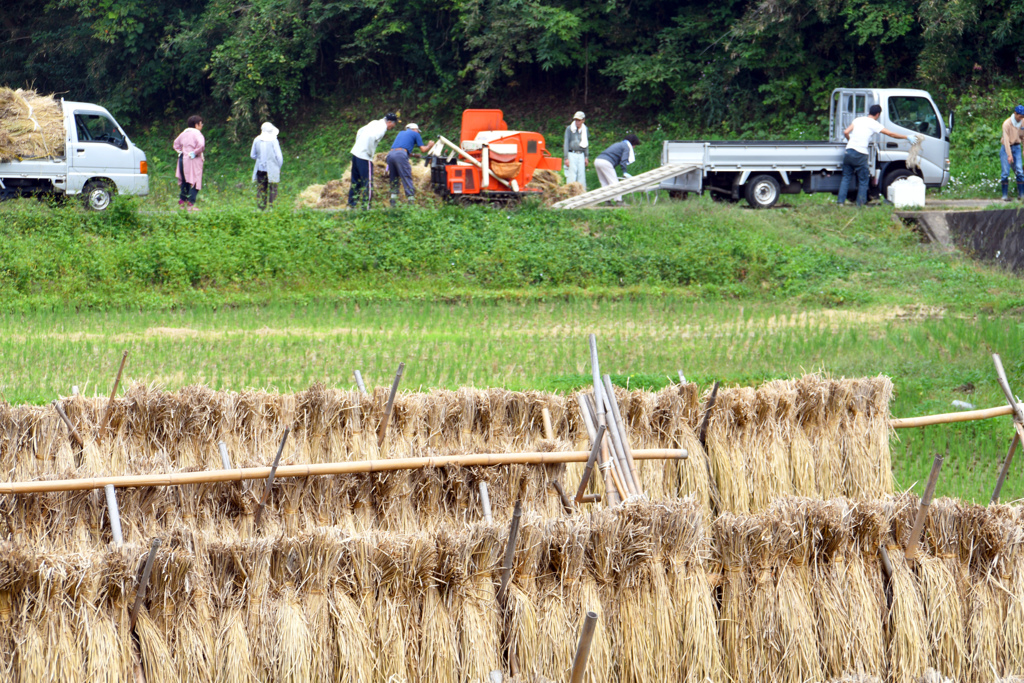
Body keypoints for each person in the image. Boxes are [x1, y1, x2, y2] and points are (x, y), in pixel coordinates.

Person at [837, 104, 919, 207]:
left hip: (848, 151)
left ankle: (840, 203)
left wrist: (850, 141)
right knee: (863, 180)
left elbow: (846, 132)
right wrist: (907, 137)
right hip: (860, 154)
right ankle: (860, 205)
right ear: (877, 114)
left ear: (869, 112)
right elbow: (890, 134)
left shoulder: (858, 120)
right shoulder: (874, 124)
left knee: (846, 177)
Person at [349, 112, 398, 209]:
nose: (394, 126)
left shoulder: (374, 122)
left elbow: (360, 131)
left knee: (355, 181)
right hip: (364, 156)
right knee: (368, 182)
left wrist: (359, 144)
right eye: (394, 124)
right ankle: (366, 207)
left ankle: (351, 205)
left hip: (356, 153)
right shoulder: (382, 128)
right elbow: (371, 138)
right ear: (389, 122)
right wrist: (370, 153)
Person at [386, 123, 435, 206]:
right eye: (418, 130)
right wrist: (429, 145)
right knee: (406, 176)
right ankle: (411, 202)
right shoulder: (415, 133)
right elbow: (423, 149)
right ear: (415, 129)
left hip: (390, 155)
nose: (418, 132)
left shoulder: (401, 133)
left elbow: (400, 148)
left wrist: (414, 155)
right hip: (400, 155)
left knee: (394, 177)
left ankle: (393, 201)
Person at [594, 133, 640, 204]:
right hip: (606, 162)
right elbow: (623, 161)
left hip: (597, 160)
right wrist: (625, 172)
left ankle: (607, 201)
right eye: (635, 145)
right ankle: (618, 201)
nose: (634, 147)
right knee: (614, 183)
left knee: (604, 182)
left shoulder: (619, 144)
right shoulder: (626, 146)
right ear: (632, 143)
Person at [173, 115, 205, 211]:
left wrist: (181, 152)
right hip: (192, 160)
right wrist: (195, 153)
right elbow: (201, 145)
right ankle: (191, 203)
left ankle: (182, 202)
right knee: (195, 181)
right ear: (196, 125)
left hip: (183, 159)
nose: (202, 125)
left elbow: (176, 144)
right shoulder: (197, 134)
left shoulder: (184, 133)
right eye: (201, 123)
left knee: (185, 181)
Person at [250, 121, 284, 210]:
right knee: (273, 189)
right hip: (272, 169)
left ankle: (261, 208)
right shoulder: (273, 140)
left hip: (260, 169)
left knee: (261, 189)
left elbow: (252, 155)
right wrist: (278, 167)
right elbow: (279, 157)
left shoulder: (256, 140)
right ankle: (272, 208)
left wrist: (260, 159)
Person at [1000, 105, 1024, 201]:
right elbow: (1006, 140)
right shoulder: (1007, 124)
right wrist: (1009, 155)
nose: (1021, 118)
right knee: (1005, 172)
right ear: (1015, 114)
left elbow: (1023, 137)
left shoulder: (1023, 122)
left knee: (1020, 171)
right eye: (1020, 116)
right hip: (1006, 147)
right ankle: (1004, 195)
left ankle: (1021, 195)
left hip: (1017, 147)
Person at [563, 111, 589, 189]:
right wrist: (566, 157)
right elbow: (566, 142)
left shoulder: (585, 129)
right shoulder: (569, 129)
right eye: (576, 120)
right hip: (571, 153)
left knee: (581, 174)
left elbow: (586, 143)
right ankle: (570, 191)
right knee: (571, 174)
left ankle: (581, 192)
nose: (577, 122)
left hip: (581, 154)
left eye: (579, 120)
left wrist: (586, 157)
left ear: (583, 120)